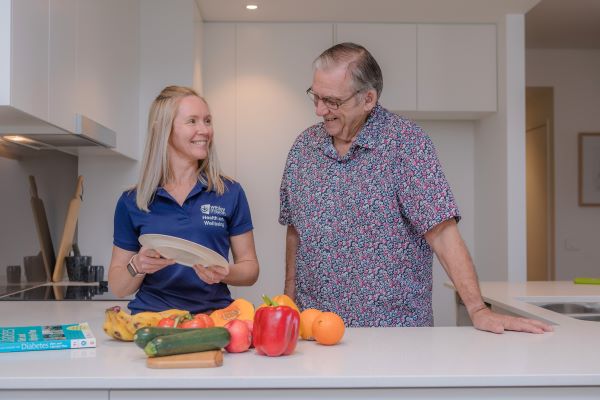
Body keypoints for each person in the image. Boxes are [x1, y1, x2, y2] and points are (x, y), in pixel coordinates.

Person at [279, 43, 551, 333]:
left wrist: (477, 308)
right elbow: (296, 232)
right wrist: (288, 305)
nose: (320, 110)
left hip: (395, 333)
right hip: (315, 328)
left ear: (368, 99)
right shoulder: (303, 148)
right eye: (316, 97)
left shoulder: (406, 144)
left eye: (332, 101)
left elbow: (443, 233)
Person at [109, 85, 259, 314]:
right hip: (153, 321)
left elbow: (250, 269)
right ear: (164, 130)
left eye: (207, 121)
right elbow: (118, 286)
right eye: (192, 121)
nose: (205, 130)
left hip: (214, 320)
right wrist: (137, 266)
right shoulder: (133, 200)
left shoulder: (229, 192)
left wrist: (224, 272)